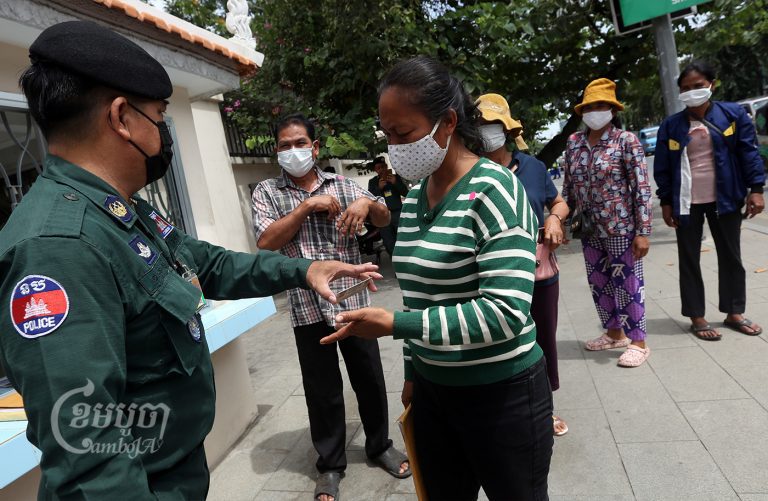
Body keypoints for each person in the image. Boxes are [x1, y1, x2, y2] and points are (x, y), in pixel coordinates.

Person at [0, 21, 380, 500]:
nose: (163, 130)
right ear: (121, 117)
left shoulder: (119, 210)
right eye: (159, 115)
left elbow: (207, 263)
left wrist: (303, 269)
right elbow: (89, 456)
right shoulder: (58, 246)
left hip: (176, 471)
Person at [321, 56, 553, 501]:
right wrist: (413, 369)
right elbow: (421, 296)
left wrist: (394, 325)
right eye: (387, 134)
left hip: (503, 395)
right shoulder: (413, 200)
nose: (394, 147)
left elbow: (505, 313)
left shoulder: (496, 190)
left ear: (446, 122)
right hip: (434, 393)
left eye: (403, 134)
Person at [250, 113, 409, 501]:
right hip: (306, 304)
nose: (293, 151)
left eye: (300, 143)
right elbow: (267, 241)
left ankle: (379, 445)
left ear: (315, 147)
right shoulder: (267, 192)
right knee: (322, 389)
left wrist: (367, 204)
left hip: (353, 299)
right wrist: (305, 208)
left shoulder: (342, 182)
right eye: (285, 146)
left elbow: (384, 215)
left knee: (369, 376)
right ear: (277, 151)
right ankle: (331, 464)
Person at [477, 93, 571, 437]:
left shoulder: (533, 167)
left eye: (493, 124)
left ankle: (544, 407)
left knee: (542, 338)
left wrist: (554, 220)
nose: (486, 131)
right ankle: (501, 407)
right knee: (497, 338)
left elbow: (558, 202)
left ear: (507, 129)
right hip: (488, 272)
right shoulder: (471, 171)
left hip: (537, 269)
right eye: (480, 124)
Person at [654, 60, 765, 340]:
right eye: (686, 88)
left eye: (699, 86)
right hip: (686, 202)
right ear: (680, 92)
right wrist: (666, 201)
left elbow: (749, 153)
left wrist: (756, 189)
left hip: (726, 198)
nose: (693, 91)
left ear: (711, 85)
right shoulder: (671, 126)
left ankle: (734, 312)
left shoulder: (733, 114)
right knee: (688, 258)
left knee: (731, 257)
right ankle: (697, 316)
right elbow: (663, 167)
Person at [562, 78, 653, 367]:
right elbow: (568, 187)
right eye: (590, 106)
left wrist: (643, 231)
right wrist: (563, 222)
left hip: (621, 227)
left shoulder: (626, 141)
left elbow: (641, 187)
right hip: (590, 230)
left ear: (613, 109)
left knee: (627, 283)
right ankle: (615, 334)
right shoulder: (574, 143)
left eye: (601, 105)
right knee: (599, 283)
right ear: (582, 111)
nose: (595, 110)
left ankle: (638, 341)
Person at [367, 156, 409, 255]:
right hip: (382, 215)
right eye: (378, 168)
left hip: (397, 213)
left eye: (383, 166)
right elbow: (369, 198)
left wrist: (395, 183)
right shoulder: (373, 182)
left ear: (386, 167)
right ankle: (395, 261)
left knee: (403, 237)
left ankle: (406, 258)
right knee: (388, 241)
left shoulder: (395, 177)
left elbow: (406, 193)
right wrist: (379, 188)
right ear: (375, 170)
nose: (381, 170)